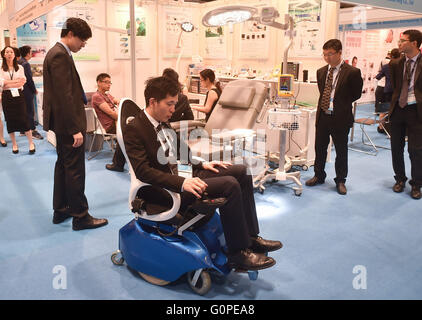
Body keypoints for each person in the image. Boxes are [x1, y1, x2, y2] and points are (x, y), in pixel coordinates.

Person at [124, 76, 282, 271]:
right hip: (165, 189)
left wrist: (204, 163)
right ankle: (237, 253)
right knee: (229, 185)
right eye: (170, 104)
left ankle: (250, 237)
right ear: (153, 102)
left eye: (175, 103)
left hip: (185, 175)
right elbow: (143, 171)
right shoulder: (135, 129)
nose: (173, 109)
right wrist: (181, 183)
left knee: (241, 171)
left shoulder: (163, 122)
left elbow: (183, 153)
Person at [43, 17, 108, 230]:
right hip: (68, 125)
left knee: (63, 166)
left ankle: (61, 210)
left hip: (61, 123)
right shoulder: (60, 55)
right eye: (82, 40)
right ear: (70, 34)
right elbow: (65, 97)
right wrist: (74, 130)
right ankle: (81, 216)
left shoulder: (56, 53)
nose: (83, 44)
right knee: (74, 170)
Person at [305, 39, 363, 195]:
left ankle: (341, 180)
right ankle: (319, 175)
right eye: (324, 54)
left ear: (339, 53)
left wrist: (340, 103)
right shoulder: (321, 71)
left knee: (341, 151)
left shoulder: (352, 72)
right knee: (320, 148)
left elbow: (356, 94)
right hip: (323, 115)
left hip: (340, 117)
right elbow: (322, 90)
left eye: (330, 54)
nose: (327, 58)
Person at [388, 29, 422, 200]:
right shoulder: (395, 64)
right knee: (396, 148)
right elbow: (395, 87)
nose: (399, 44)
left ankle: (416, 184)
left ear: (414, 43)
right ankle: (400, 179)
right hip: (398, 109)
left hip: (416, 111)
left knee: (416, 150)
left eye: (403, 41)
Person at [0, 46, 35, 154]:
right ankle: (14, 144)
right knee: (9, 119)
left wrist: (8, 83)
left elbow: (22, 82)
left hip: (19, 95)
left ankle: (31, 143)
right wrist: (12, 82)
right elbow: (2, 83)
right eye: (7, 52)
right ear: (4, 55)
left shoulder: (20, 67)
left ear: (14, 54)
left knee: (24, 118)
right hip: (6, 96)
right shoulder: (1, 69)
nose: (9, 54)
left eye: (11, 52)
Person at [91, 73, 126, 172]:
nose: (109, 84)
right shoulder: (97, 96)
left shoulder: (107, 95)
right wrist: (124, 117)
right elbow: (111, 114)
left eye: (110, 82)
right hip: (110, 125)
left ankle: (119, 162)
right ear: (98, 83)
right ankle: (118, 163)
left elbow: (118, 101)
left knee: (129, 132)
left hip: (116, 121)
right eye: (106, 82)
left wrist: (122, 103)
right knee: (128, 133)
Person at [18, 45, 43, 140]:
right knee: (30, 111)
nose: (32, 53)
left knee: (23, 110)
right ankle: (32, 130)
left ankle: (23, 130)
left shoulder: (19, 62)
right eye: (31, 51)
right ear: (27, 53)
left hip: (20, 90)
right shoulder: (26, 64)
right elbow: (29, 79)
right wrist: (34, 90)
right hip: (27, 91)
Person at [375, 48, 401, 134]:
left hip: (387, 91)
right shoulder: (401, 66)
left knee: (384, 110)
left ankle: (381, 127)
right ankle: (392, 129)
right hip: (397, 92)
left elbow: (378, 76)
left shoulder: (386, 66)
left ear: (391, 56)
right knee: (395, 111)